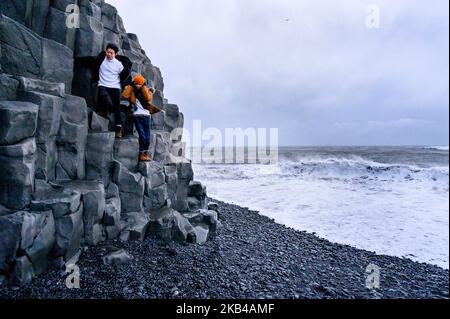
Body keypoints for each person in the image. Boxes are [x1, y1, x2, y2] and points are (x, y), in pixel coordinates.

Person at [76, 43, 132, 138]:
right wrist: (77, 61)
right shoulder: (101, 59)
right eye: (108, 52)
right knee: (103, 97)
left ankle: (119, 128)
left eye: (111, 53)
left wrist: (130, 86)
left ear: (115, 54)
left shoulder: (119, 65)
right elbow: (91, 60)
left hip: (115, 87)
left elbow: (126, 76)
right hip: (103, 85)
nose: (109, 54)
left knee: (117, 107)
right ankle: (106, 111)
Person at [121, 74, 161, 162]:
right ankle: (141, 154)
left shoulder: (146, 91)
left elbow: (148, 98)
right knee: (142, 136)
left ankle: (145, 153)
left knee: (147, 138)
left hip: (146, 116)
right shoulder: (132, 90)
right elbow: (124, 95)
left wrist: (147, 90)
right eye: (136, 84)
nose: (138, 86)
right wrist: (131, 86)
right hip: (137, 116)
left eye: (139, 84)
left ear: (142, 84)